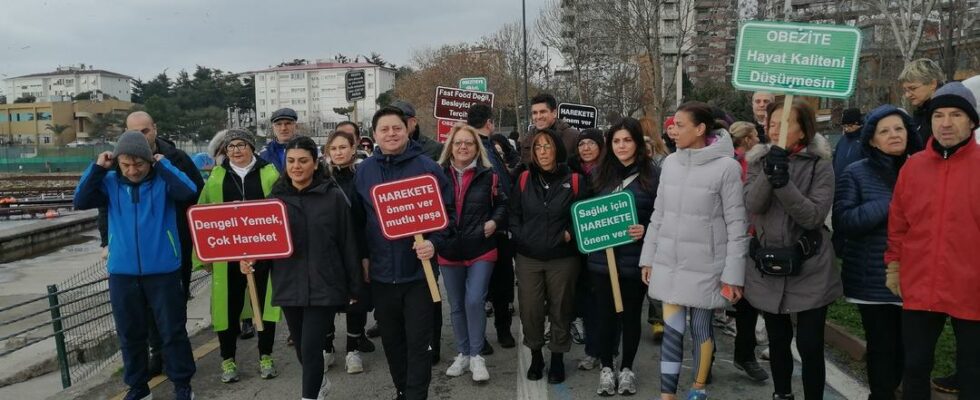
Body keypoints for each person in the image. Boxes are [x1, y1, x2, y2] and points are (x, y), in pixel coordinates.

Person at [74, 131, 198, 400]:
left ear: (149, 160)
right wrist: (97, 168)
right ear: (117, 162)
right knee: (130, 334)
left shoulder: (163, 181)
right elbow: (80, 200)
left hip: (164, 271)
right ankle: (139, 387)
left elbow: (189, 192)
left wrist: (164, 165)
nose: (133, 171)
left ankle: (182, 385)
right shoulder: (108, 183)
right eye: (126, 164)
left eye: (139, 164)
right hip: (122, 273)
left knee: (172, 332)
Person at [638, 102, 749, 400]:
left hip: (706, 267)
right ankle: (667, 396)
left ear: (700, 129)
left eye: (680, 125)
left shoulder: (727, 168)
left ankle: (698, 390)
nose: (673, 131)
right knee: (672, 333)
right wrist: (648, 258)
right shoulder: (671, 163)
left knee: (701, 331)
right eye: (672, 125)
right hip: (670, 264)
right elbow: (659, 214)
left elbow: (738, 225)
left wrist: (733, 276)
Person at [885, 82, 980, 400]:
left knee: (972, 372)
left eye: (956, 114)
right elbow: (898, 223)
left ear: (972, 122)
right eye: (939, 115)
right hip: (921, 282)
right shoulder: (913, 167)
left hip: (972, 286)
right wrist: (894, 266)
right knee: (915, 367)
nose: (946, 123)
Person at [354, 106, 455, 400]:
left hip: (419, 275)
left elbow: (449, 218)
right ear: (374, 135)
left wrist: (435, 243)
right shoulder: (364, 171)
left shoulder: (428, 168)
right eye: (384, 129)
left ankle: (415, 395)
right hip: (382, 276)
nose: (391, 134)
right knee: (393, 344)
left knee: (419, 344)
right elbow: (358, 223)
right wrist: (363, 258)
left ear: (408, 129)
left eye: (396, 128)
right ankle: (402, 390)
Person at [744, 100, 842, 400]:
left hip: (809, 266)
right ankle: (782, 393)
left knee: (810, 345)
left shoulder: (820, 164)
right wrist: (769, 171)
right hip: (769, 266)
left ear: (803, 130)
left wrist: (783, 182)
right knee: (777, 339)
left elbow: (812, 216)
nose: (775, 129)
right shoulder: (759, 161)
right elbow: (753, 204)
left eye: (784, 124)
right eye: (771, 124)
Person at [261, 136, 362, 400]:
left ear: (315, 164)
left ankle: (309, 396)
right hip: (288, 283)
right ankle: (319, 383)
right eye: (291, 161)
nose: (296, 166)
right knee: (303, 351)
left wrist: (354, 287)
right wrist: (251, 259)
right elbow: (264, 243)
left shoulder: (334, 198)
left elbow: (348, 243)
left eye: (303, 161)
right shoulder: (275, 199)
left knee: (312, 346)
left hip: (325, 284)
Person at [833, 105, 922, 400]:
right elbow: (844, 221)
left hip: (917, 275)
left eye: (899, 129)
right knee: (882, 347)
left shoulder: (923, 170)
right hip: (872, 278)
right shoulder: (855, 173)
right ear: (871, 139)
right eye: (884, 131)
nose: (894, 135)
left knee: (909, 348)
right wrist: (890, 203)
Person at [192, 129, 282, 383]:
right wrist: (202, 256)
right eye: (230, 146)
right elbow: (202, 215)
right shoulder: (216, 177)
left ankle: (266, 355)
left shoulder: (269, 173)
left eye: (241, 144)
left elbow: (280, 212)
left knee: (264, 306)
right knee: (227, 308)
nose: (236, 150)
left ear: (251, 147)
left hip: (263, 255)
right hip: (227, 257)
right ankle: (227, 359)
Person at [125, 111, 204, 376]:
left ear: (155, 129)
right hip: (138, 249)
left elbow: (196, 193)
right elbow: (105, 204)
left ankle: (176, 355)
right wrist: (106, 241)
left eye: (145, 131)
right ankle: (156, 354)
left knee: (174, 304)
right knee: (144, 307)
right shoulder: (122, 161)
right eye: (134, 132)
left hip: (175, 243)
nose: (141, 137)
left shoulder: (177, 158)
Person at [510, 128, 591, 384]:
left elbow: (584, 214)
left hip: (563, 258)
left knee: (561, 308)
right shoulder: (523, 179)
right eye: (537, 148)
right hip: (529, 257)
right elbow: (513, 214)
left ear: (557, 148)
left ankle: (557, 357)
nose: (542, 152)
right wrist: (521, 236)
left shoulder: (575, 180)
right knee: (531, 310)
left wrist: (569, 234)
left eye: (547, 146)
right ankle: (536, 356)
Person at [589, 118, 659, 396]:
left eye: (627, 140)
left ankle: (627, 367)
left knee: (631, 316)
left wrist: (647, 229)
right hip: (602, 260)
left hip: (635, 259)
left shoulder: (652, 176)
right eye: (616, 141)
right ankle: (607, 367)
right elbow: (586, 213)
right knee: (605, 315)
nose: (621, 146)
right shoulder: (598, 174)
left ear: (638, 143)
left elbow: (661, 216)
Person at [435, 124, 507, 382]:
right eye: (458, 143)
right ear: (450, 147)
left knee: (475, 300)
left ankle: (477, 356)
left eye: (469, 143)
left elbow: (502, 204)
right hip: (449, 248)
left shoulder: (490, 175)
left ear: (477, 148)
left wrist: (495, 222)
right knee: (456, 305)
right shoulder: (437, 175)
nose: (463, 147)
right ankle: (463, 352)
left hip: (481, 248)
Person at [388, 100, 446, 364]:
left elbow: (444, 202)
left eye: (400, 122)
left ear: (411, 123)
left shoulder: (433, 151)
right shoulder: (378, 161)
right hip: (394, 246)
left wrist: (434, 239)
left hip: (425, 240)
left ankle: (432, 343)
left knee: (430, 298)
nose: (393, 131)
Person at [323, 128, 376, 375]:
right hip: (328, 251)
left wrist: (366, 255)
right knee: (327, 302)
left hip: (357, 248)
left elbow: (368, 218)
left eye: (343, 147)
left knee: (357, 300)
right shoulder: (320, 177)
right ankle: (327, 348)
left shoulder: (363, 175)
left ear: (353, 149)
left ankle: (353, 350)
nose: (338, 152)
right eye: (333, 149)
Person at [466, 104, 517, 351]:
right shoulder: (480, 148)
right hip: (488, 227)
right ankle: (495, 332)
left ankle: (498, 330)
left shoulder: (486, 146)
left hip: (492, 226)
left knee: (497, 283)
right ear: (489, 123)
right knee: (491, 284)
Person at [724, 120, 769, 383]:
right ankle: (705, 358)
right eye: (755, 135)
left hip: (753, 236)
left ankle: (745, 354)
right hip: (730, 235)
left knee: (747, 302)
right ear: (749, 139)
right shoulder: (730, 165)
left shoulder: (759, 162)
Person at [567, 128, 604, 367]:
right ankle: (592, 351)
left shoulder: (611, 171)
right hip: (578, 249)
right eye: (582, 144)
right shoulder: (570, 172)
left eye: (591, 143)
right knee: (587, 301)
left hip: (606, 247)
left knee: (606, 303)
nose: (586, 148)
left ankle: (607, 352)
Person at [519, 94, 580, 164]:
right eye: (535, 113)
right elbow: (523, 166)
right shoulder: (528, 138)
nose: (538, 117)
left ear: (554, 113)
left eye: (543, 112)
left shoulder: (574, 137)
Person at [898, 59, 946, 145]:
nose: (907, 95)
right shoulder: (921, 112)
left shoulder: (946, 113)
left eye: (913, 88)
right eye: (905, 90)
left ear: (933, 84)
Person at [258, 108, 299, 172]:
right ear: (273, 128)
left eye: (288, 123)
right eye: (279, 124)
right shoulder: (264, 154)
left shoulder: (308, 149)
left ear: (296, 126)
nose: (283, 128)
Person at [832, 108, 865, 177]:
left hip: (857, 182)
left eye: (850, 125)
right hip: (839, 182)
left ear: (858, 124)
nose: (846, 129)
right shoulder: (842, 140)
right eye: (844, 126)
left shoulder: (865, 140)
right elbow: (834, 159)